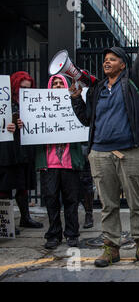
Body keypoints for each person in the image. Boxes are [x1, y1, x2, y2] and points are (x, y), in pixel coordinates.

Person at [70, 0, 139, 267]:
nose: (107, 62)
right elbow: (87, 120)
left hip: (131, 152)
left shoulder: (133, 82)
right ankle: (110, 247)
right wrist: (76, 98)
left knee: (136, 202)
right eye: (105, 60)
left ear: (123, 64)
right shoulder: (98, 89)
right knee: (108, 205)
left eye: (113, 59)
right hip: (100, 154)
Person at [36, 75, 85, 249]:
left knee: (71, 200)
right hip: (48, 164)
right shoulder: (39, 106)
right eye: (54, 83)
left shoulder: (75, 104)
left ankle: (72, 234)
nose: (57, 85)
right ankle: (54, 234)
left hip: (69, 163)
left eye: (60, 83)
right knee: (51, 200)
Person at [0, 71, 43, 232]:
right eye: (21, 88)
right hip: (7, 151)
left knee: (22, 184)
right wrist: (6, 125)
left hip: (24, 149)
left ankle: (25, 218)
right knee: (5, 186)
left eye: (27, 88)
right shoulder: (4, 101)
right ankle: (6, 223)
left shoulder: (29, 103)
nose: (24, 92)